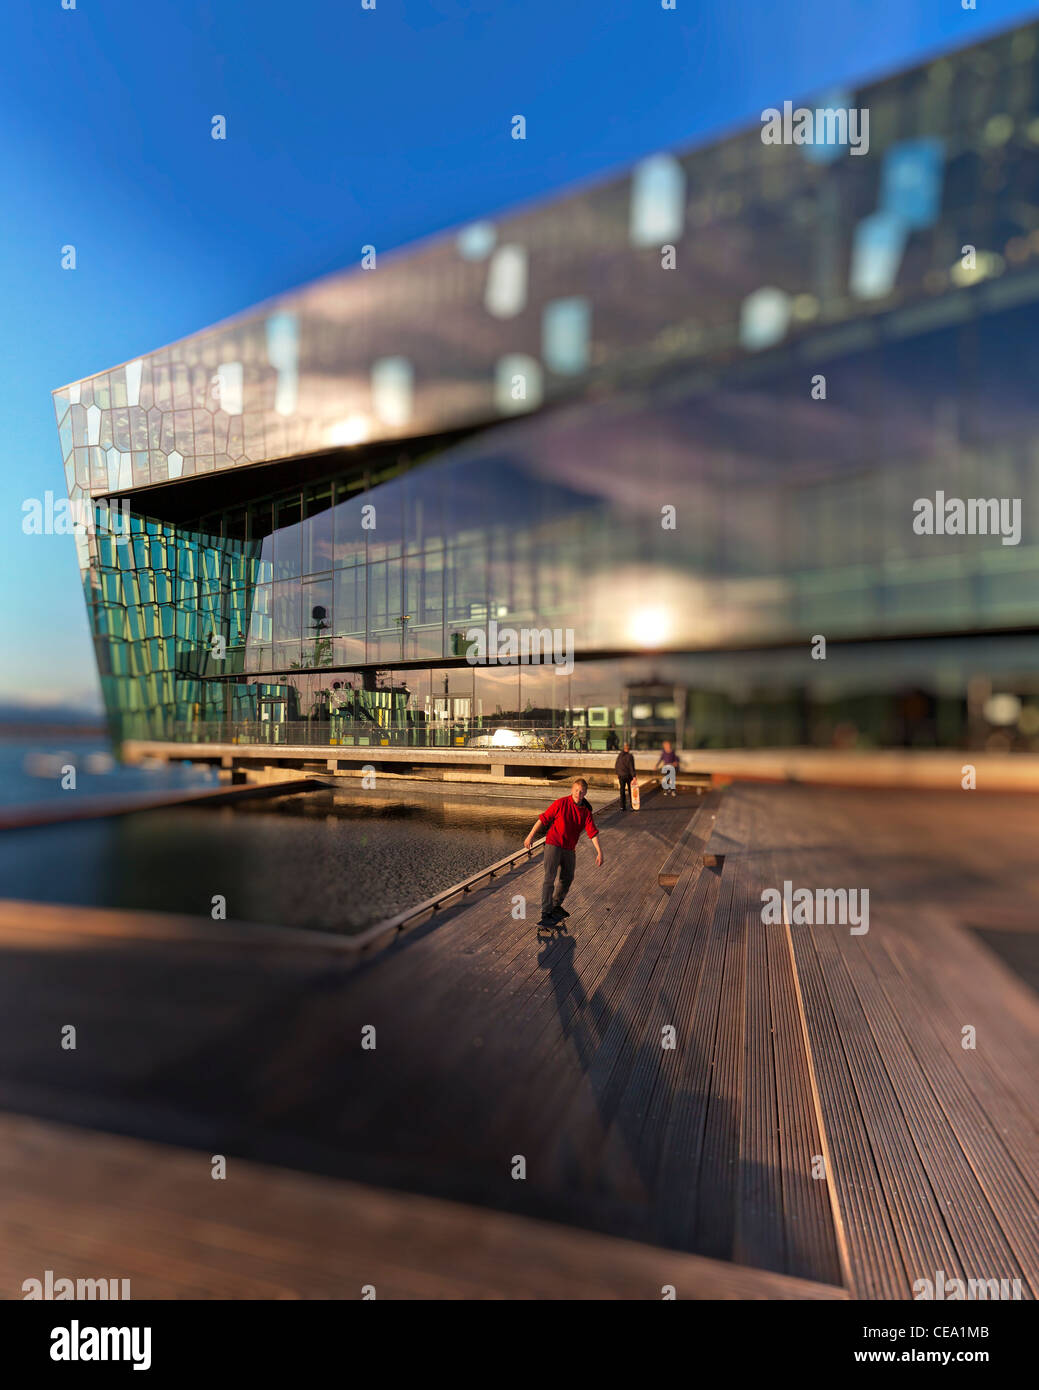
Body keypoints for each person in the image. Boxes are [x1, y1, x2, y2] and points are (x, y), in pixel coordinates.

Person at [524, 778, 603, 927]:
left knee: (568, 877)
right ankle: (546, 912)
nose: (578, 794)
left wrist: (599, 851)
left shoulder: (586, 811)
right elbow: (543, 819)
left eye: (581, 792)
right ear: (572, 790)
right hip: (554, 844)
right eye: (576, 791)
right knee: (549, 878)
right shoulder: (561, 803)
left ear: (585, 793)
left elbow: (592, 832)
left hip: (569, 848)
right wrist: (530, 835)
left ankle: (555, 905)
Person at [614, 742, 636, 810]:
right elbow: (631, 767)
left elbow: (616, 765)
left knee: (622, 791)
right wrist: (634, 776)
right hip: (628, 776)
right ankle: (632, 806)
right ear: (628, 748)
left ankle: (622, 806)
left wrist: (617, 773)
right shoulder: (630, 756)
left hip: (621, 776)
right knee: (630, 791)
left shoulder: (620, 755)